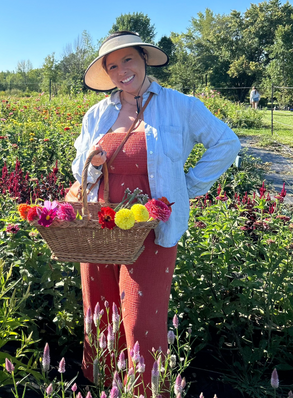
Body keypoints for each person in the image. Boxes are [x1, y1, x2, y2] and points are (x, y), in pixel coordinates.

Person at [72, 31, 241, 387]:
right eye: (112, 65)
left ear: (144, 59)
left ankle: (148, 392)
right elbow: (79, 171)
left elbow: (226, 143)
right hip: (101, 228)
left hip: (152, 232)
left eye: (128, 60)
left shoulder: (180, 105)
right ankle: (106, 388)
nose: (121, 71)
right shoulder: (98, 114)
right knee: (100, 314)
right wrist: (92, 162)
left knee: (139, 321)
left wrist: (188, 187)